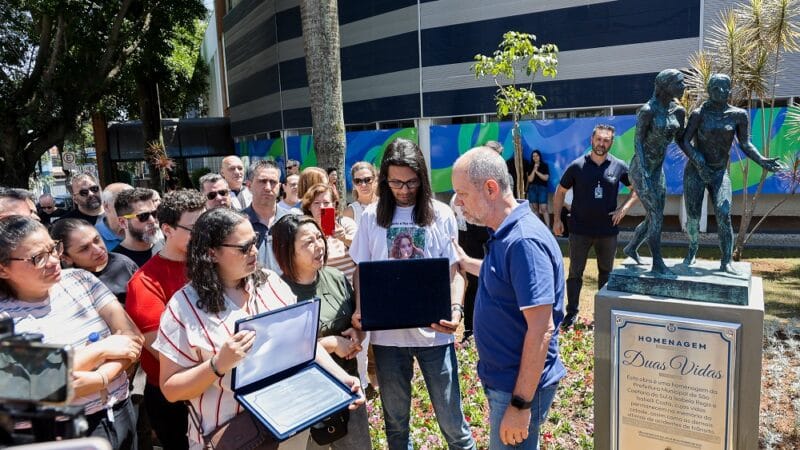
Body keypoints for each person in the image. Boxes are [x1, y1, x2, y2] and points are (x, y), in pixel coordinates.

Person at [152, 208, 363, 450]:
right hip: (234, 436)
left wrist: (342, 378)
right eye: (244, 248)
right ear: (212, 253)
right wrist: (218, 365)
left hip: (289, 424)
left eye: (255, 242)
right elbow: (171, 389)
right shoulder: (182, 308)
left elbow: (304, 344)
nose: (254, 252)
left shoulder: (271, 283)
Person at [349, 138, 475, 450]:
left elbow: (455, 270)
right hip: (388, 340)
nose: (404, 190)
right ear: (384, 179)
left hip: (435, 336)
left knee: (453, 425)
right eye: (395, 182)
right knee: (396, 427)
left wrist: (456, 309)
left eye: (411, 182)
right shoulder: (370, 217)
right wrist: (360, 309)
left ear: (422, 177)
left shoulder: (440, 213)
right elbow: (361, 270)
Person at [451, 147, 565, 450]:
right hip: (506, 381)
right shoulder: (505, 233)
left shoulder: (523, 242)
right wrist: (466, 262)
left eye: (462, 193)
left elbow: (541, 329)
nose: (457, 203)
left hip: (517, 388)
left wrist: (520, 405)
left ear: (490, 188)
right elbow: (502, 279)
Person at [0, 215, 144, 449]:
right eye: (38, 258)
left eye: (53, 248)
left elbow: (131, 339)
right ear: (3, 269)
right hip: (50, 435)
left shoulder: (82, 280)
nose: (53, 261)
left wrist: (100, 378)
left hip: (116, 414)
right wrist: (103, 348)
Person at [271, 214, 371, 450]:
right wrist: (332, 343)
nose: (319, 246)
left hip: (348, 389)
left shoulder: (335, 277)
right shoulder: (277, 291)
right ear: (287, 250)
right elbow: (286, 351)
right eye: (308, 242)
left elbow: (357, 325)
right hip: (306, 398)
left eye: (319, 238)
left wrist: (357, 335)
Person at [126, 189, 206, 450]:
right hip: (174, 399)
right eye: (195, 228)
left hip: (217, 384)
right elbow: (166, 353)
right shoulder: (144, 283)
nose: (204, 234)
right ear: (168, 229)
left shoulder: (212, 263)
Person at [680, 73, 782, 273]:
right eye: (716, 88)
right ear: (709, 91)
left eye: (725, 88)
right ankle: (692, 248)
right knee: (692, 217)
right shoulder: (699, 114)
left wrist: (761, 159)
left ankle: (726, 260)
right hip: (696, 171)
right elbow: (684, 140)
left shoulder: (738, 115)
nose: (722, 92)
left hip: (719, 172)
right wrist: (697, 158)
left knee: (724, 212)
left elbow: (745, 143)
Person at [553, 124, 638, 329]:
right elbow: (560, 191)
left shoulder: (619, 166)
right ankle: (571, 314)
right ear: (592, 140)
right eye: (599, 139)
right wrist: (557, 219)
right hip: (579, 230)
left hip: (607, 232)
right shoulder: (576, 166)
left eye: (606, 140)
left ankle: (603, 314)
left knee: (606, 273)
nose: (602, 144)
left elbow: (636, 190)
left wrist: (623, 209)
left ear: (611, 142)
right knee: (575, 273)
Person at [624, 69, 687, 275]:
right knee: (656, 217)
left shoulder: (678, 111)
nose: (683, 86)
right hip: (641, 170)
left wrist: (697, 157)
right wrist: (645, 173)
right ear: (665, 86)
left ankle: (631, 247)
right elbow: (638, 143)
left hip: (657, 170)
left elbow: (682, 140)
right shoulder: (647, 110)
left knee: (654, 216)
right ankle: (657, 263)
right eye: (679, 83)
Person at [50, 218, 138, 304]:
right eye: (84, 248)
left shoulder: (123, 264)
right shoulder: (65, 288)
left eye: (97, 240)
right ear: (65, 258)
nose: (98, 250)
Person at [243, 159, 298, 273]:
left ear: (280, 186)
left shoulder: (293, 220)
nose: (268, 187)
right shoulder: (238, 223)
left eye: (273, 182)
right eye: (262, 181)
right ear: (248, 185)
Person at [300, 183, 357, 281]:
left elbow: (361, 246)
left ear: (334, 205)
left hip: (350, 288)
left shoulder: (345, 223)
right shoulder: (304, 230)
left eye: (326, 203)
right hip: (322, 289)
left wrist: (344, 238)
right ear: (309, 207)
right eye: (316, 203)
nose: (321, 207)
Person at [113, 188, 162, 267]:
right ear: (122, 222)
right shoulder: (116, 264)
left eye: (154, 213)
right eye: (143, 216)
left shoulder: (166, 246)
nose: (152, 221)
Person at [96, 183, 134, 251]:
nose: (132, 207)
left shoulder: (143, 226)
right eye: (124, 203)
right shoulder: (94, 236)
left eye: (135, 202)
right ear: (106, 206)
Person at [526, 150, 550, 228]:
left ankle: (548, 227)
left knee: (544, 208)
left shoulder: (544, 165)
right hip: (532, 188)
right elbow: (530, 179)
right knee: (535, 209)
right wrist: (534, 170)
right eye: (533, 156)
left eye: (537, 156)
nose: (535, 157)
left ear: (539, 156)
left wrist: (537, 172)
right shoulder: (530, 166)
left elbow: (546, 178)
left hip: (542, 188)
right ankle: (538, 228)